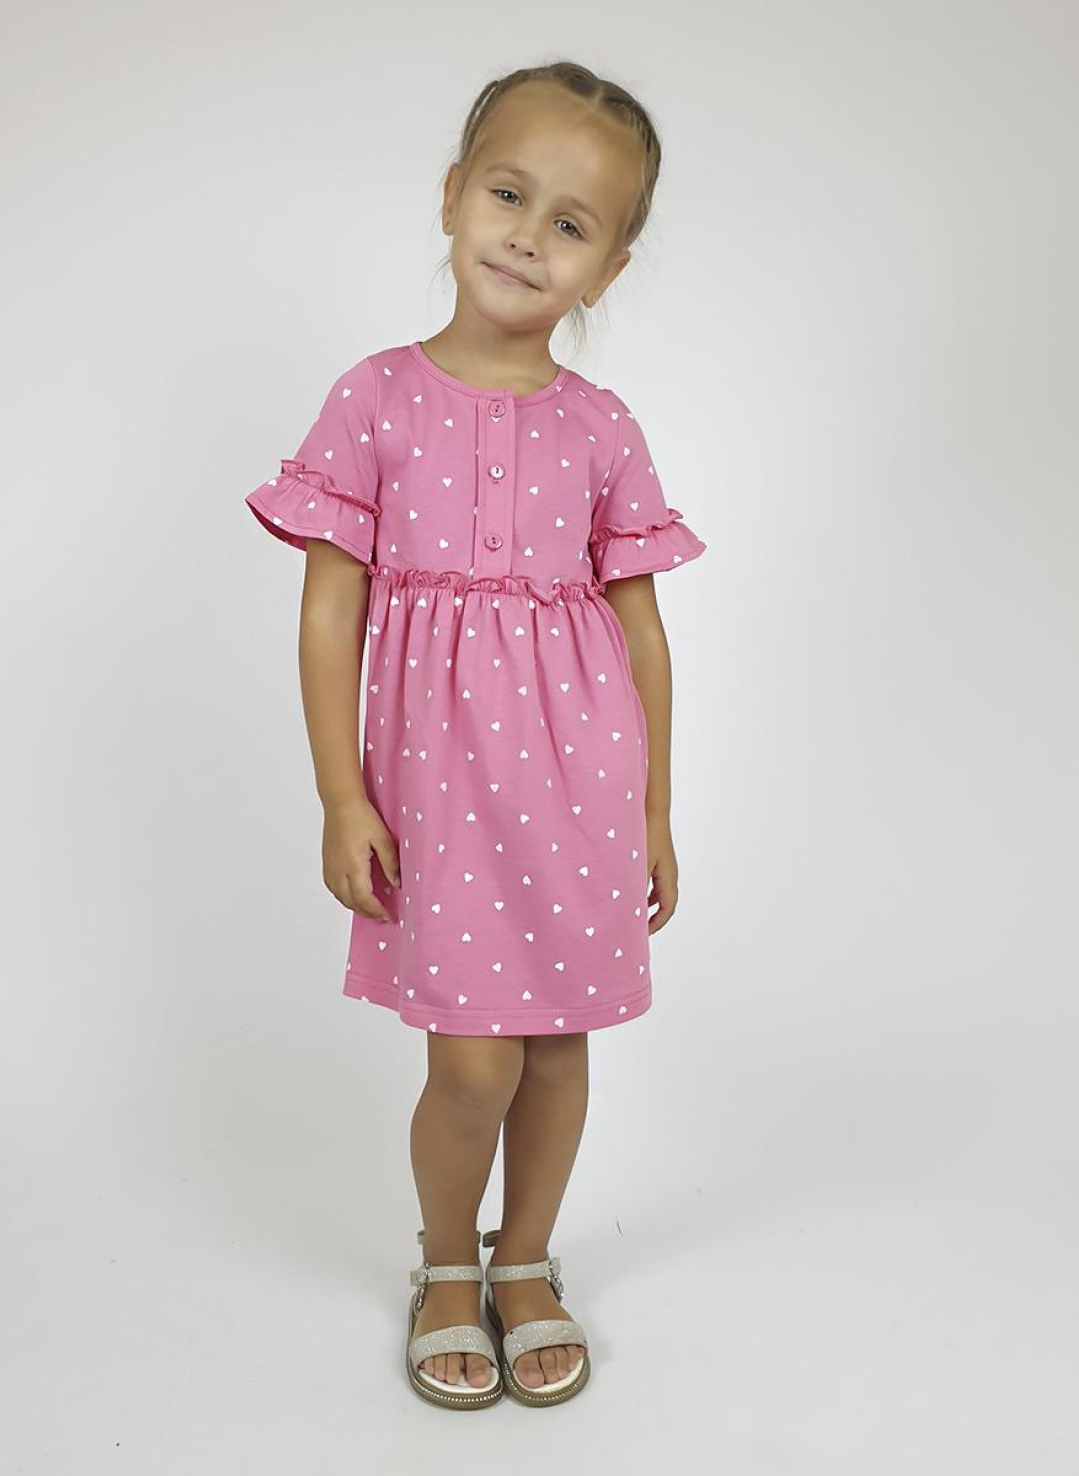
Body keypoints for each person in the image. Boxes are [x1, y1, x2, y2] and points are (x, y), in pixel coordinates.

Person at [244, 60, 708, 1410]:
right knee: (471, 1060)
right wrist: (341, 793)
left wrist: (656, 809)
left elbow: (641, 632)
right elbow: (329, 610)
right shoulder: (377, 398)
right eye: (508, 195)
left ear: (609, 269)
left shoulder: (602, 428)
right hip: (438, 788)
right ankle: (447, 1262)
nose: (527, 237)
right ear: (453, 195)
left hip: (581, 785)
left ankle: (526, 1261)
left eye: (571, 223)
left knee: (558, 1049)